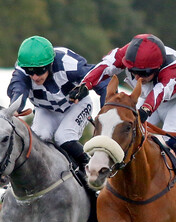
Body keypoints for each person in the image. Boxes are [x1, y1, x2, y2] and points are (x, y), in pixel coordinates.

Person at [70, 33, 176, 220]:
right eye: (134, 71)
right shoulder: (125, 54)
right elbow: (105, 67)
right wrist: (85, 85)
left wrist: (146, 109)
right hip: (147, 99)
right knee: (129, 135)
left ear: (157, 67)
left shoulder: (172, 66)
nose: (138, 77)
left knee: (173, 137)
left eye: (144, 73)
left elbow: (161, 91)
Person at [7, 35, 107, 188]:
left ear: (51, 64)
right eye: (30, 71)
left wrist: (105, 110)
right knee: (38, 140)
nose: (34, 76)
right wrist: (16, 107)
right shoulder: (22, 70)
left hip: (76, 105)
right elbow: (17, 88)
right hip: (46, 108)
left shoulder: (70, 65)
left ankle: (92, 173)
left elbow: (102, 80)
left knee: (64, 137)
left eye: (39, 71)